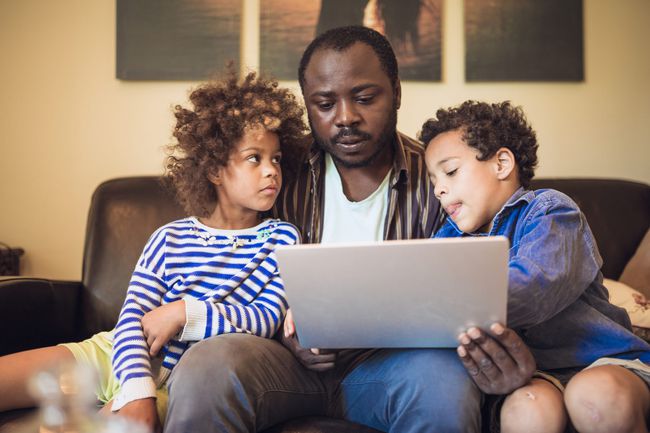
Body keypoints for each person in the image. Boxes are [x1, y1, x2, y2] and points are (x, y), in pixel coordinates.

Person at [164, 26, 535, 433]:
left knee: (444, 381)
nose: (345, 118)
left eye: (364, 98)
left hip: (398, 366)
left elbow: (480, 289)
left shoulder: (442, 180)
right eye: (324, 104)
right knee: (208, 364)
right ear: (307, 105)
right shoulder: (274, 172)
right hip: (280, 365)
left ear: (395, 90)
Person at [0, 70, 307, 432]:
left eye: (277, 158)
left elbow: (265, 319)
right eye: (255, 158)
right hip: (119, 353)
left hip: (184, 377)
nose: (272, 171)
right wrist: (137, 389)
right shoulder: (169, 238)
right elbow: (133, 318)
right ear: (214, 170)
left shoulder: (282, 238)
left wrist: (184, 313)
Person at [421, 100, 650, 433]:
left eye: (451, 171)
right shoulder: (448, 238)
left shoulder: (551, 211)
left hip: (602, 358)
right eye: (433, 180)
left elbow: (534, 287)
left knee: (596, 399)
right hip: (534, 374)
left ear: (501, 163)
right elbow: (425, 292)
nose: (439, 189)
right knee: (528, 414)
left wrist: (439, 308)